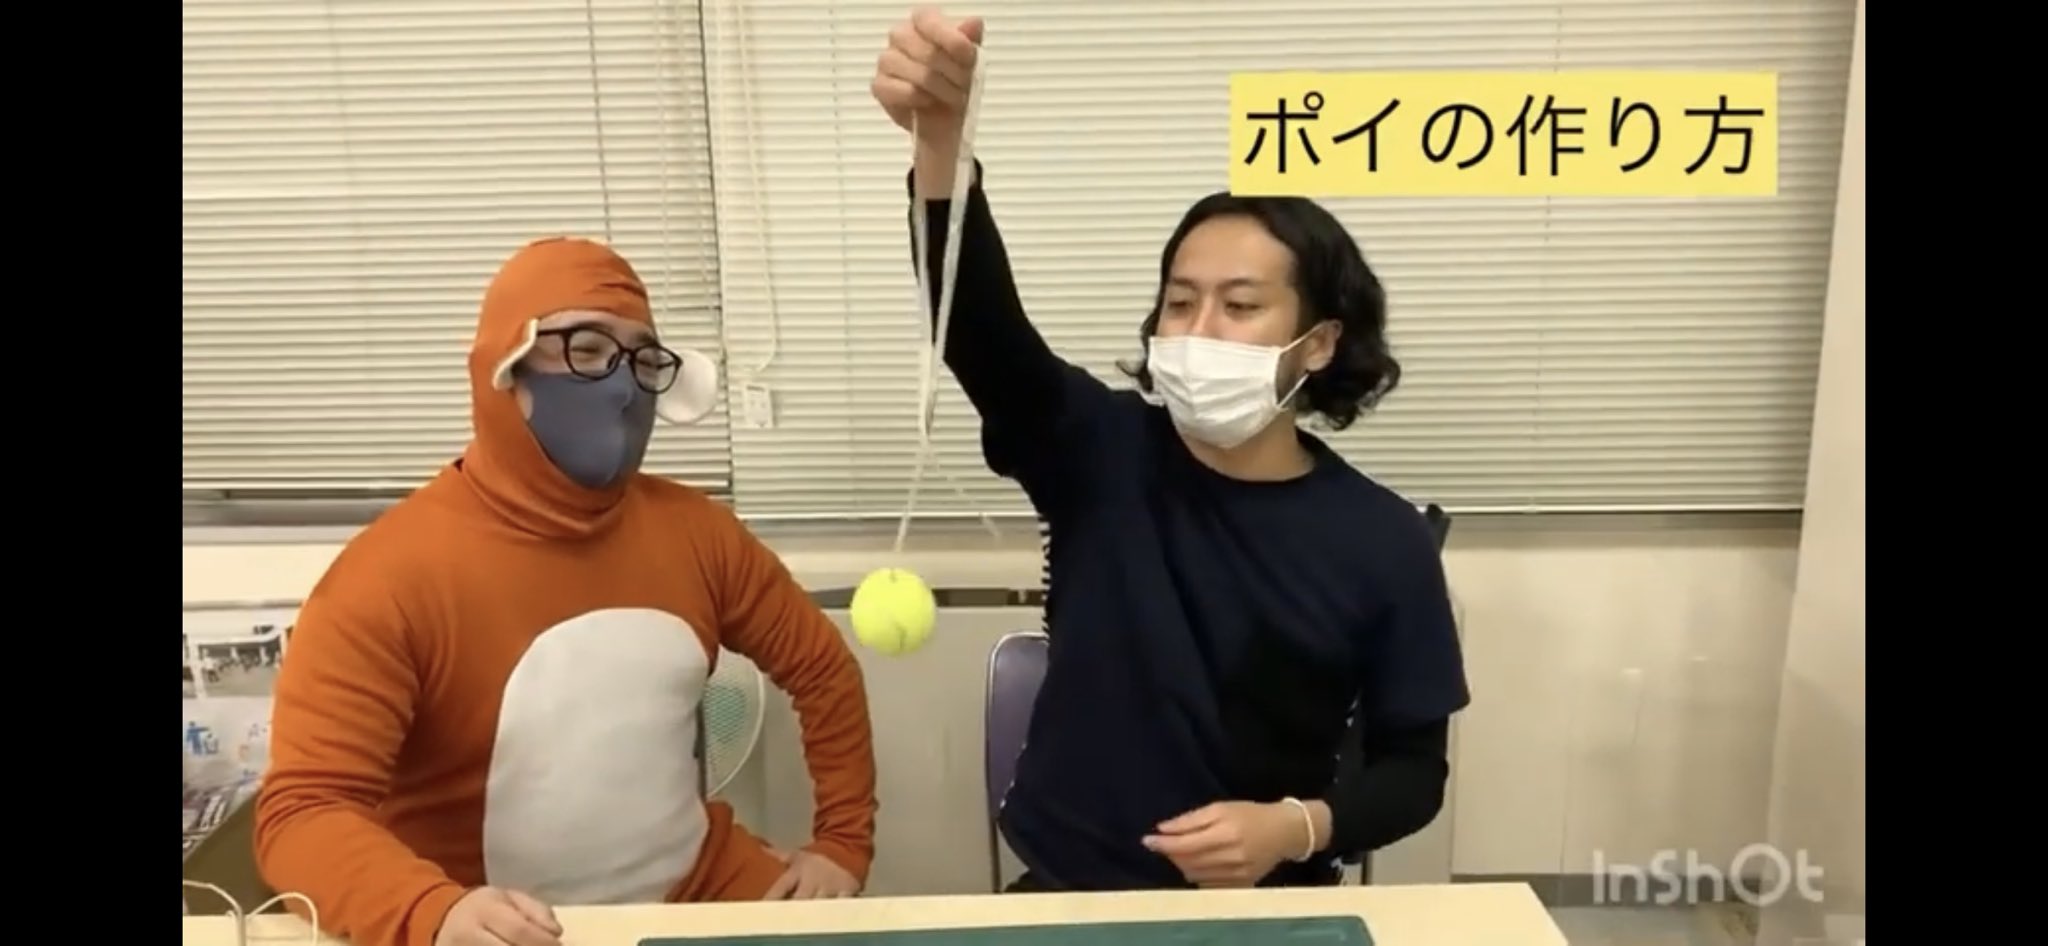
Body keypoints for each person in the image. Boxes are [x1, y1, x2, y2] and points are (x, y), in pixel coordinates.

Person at [871, 10, 1471, 892]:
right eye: (1180, 302)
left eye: (1241, 305)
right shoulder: (1095, 450)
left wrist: (1296, 827)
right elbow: (980, 329)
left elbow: (1413, 771)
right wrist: (941, 144)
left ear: (1317, 343)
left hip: (1264, 907)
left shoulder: (1384, 539)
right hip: (1066, 893)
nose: (1199, 328)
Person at [255, 237, 879, 946]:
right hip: (489, 922)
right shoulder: (388, 578)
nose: (620, 386)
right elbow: (303, 810)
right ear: (506, 369)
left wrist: (843, 844)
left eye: (642, 359)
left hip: (698, 890)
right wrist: (429, 912)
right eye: (585, 349)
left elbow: (823, 670)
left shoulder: (699, 535)